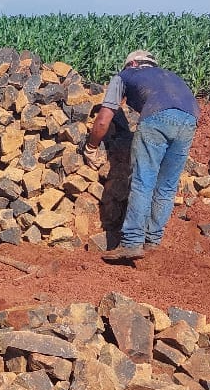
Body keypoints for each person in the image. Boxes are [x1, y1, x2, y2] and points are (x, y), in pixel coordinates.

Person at [83, 49, 199, 261]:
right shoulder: (169, 77)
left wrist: (91, 147)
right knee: (166, 186)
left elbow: (103, 119)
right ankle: (152, 241)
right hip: (190, 120)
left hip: (157, 117)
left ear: (133, 64)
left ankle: (131, 242)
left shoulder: (126, 75)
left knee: (142, 181)